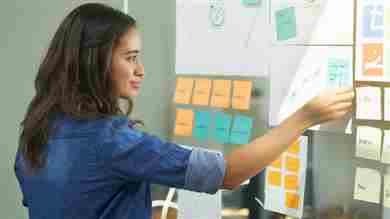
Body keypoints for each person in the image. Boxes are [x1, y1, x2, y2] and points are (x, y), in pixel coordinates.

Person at [14, 3, 354, 219]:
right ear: (95, 61)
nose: (141, 70)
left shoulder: (38, 131)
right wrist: (304, 117)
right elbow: (229, 173)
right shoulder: (112, 141)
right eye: (130, 58)